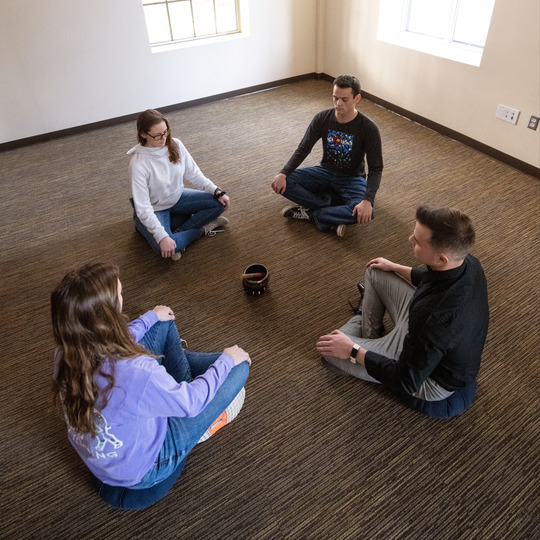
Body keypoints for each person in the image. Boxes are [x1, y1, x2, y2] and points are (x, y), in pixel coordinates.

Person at [51, 262, 250, 508]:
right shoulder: (137, 373)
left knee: (162, 322)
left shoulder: (66, 352)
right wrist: (228, 360)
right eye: (121, 295)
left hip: (109, 464)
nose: (123, 298)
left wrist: (149, 318)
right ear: (109, 316)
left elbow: (110, 342)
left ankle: (175, 382)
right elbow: (192, 403)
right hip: (150, 468)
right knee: (239, 369)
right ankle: (197, 428)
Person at [317, 206, 489, 418]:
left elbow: (406, 380)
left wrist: (352, 351)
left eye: (417, 241)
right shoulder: (470, 264)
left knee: (329, 349)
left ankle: (363, 331)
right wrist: (396, 267)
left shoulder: (434, 316)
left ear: (442, 258)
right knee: (375, 271)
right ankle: (370, 337)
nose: (410, 239)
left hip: (430, 379)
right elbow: (431, 280)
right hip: (424, 335)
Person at [271, 75, 383, 237]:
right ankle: (326, 204)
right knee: (283, 182)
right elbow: (303, 149)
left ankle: (314, 214)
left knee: (367, 212)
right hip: (325, 171)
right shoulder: (322, 118)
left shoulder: (369, 127)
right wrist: (283, 172)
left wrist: (367, 200)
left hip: (352, 178)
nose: (338, 104)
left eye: (344, 99)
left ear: (356, 98)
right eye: (335, 98)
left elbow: (376, 168)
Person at [128, 109, 230, 261]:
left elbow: (194, 174)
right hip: (155, 207)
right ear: (143, 134)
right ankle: (202, 229)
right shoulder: (138, 164)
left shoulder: (176, 144)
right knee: (163, 249)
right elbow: (143, 208)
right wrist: (162, 237)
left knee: (219, 203)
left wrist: (216, 191)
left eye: (165, 132)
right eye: (157, 135)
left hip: (178, 196)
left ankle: (176, 234)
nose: (163, 138)